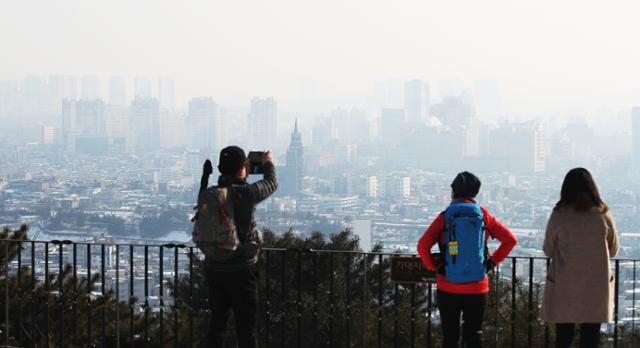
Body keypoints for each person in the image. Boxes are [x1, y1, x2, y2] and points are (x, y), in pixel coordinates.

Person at [417, 171, 517, 348]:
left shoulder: (445, 216)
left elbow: (423, 246)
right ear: (475, 193)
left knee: (450, 337)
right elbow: (510, 240)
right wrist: (491, 263)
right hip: (477, 285)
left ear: (453, 192)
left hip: (447, 284)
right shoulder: (483, 215)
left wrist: (434, 267)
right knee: (474, 335)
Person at [204, 146, 278, 348]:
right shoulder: (247, 193)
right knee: (246, 330)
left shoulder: (211, 194)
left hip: (215, 268)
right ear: (243, 167)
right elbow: (271, 183)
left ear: (220, 169)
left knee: (216, 326)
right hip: (242, 271)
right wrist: (268, 163)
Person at [542, 168, 619, 348]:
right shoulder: (602, 214)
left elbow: (548, 250)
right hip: (596, 285)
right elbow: (613, 250)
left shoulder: (559, 215)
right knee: (591, 337)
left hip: (564, 285)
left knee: (563, 337)